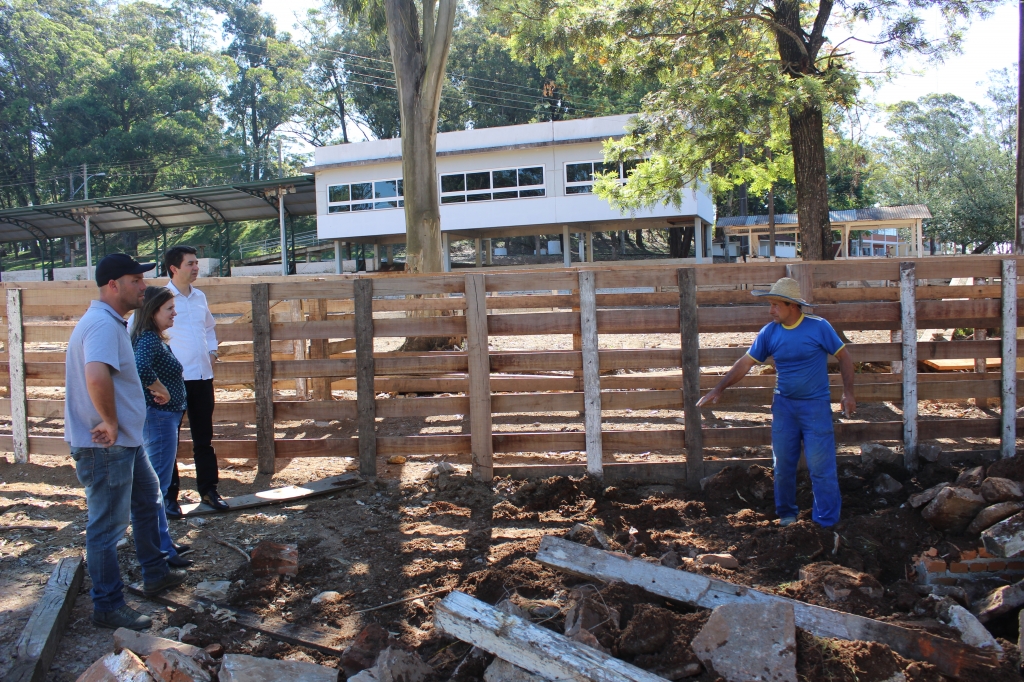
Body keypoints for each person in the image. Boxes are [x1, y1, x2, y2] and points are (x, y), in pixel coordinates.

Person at [66, 254, 187, 631]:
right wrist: (110, 422)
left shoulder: (110, 323)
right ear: (113, 286)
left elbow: (121, 374)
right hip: (106, 447)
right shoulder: (101, 325)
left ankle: (154, 572)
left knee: (149, 504)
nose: (144, 286)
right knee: (107, 527)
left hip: (125, 443)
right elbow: (96, 376)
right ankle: (107, 605)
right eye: (136, 279)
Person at [697, 277, 856, 528]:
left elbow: (845, 358)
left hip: (815, 407)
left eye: (775, 305)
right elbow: (745, 363)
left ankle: (825, 523)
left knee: (820, 467)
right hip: (784, 407)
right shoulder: (770, 332)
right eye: (769, 305)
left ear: (792, 305)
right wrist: (719, 388)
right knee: (782, 465)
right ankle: (787, 515)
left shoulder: (819, 327)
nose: (770, 310)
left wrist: (848, 393)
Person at [162, 246, 227, 513]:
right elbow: (140, 332)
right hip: (173, 381)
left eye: (196, 263)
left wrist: (212, 352)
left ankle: (209, 491)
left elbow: (210, 328)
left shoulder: (200, 297)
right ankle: (168, 497)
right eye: (190, 263)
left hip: (202, 377)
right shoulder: (160, 298)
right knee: (169, 440)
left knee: (204, 438)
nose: (196, 267)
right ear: (174, 269)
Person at [131, 286, 193, 568]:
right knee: (157, 486)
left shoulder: (152, 338)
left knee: (159, 484)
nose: (174, 313)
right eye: (168, 309)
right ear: (152, 311)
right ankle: (160, 550)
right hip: (159, 417)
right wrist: (161, 391)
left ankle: (164, 544)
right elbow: (140, 368)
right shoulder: (147, 340)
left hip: (163, 417)